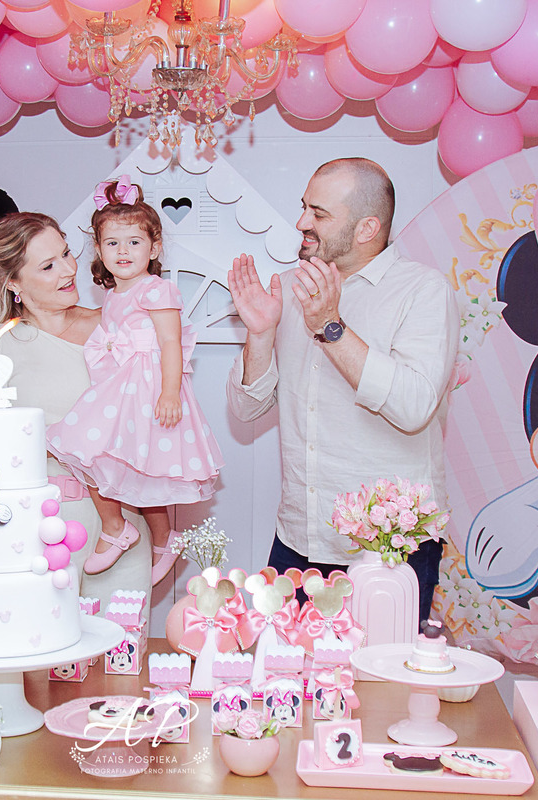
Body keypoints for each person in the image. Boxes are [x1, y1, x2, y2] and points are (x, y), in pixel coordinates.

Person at [226, 158, 459, 624]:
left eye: (319, 213)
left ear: (367, 228)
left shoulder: (423, 290)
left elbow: (414, 406)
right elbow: (245, 408)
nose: (301, 222)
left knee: (384, 671)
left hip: (390, 549)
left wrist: (330, 325)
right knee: (286, 667)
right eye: (304, 207)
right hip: (298, 538)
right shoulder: (289, 288)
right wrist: (260, 334)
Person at [0, 211, 153, 601]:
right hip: (33, 535)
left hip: (121, 530)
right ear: (13, 282)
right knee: (39, 640)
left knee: (122, 641)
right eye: (48, 266)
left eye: (66, 253)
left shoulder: (117, 326)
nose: (68, 270)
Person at [47, 177, 223, 584]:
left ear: (154, 248)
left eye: (134, 242)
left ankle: (139, 534)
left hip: (148, 390)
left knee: (128, 464)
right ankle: (140, 533)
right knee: (106, 460)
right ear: (99, 249)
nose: (122, 251)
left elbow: (171, 342)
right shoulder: (113, 295)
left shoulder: (157, 289)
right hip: (120, 389)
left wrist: (170, 392)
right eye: (112, 243)